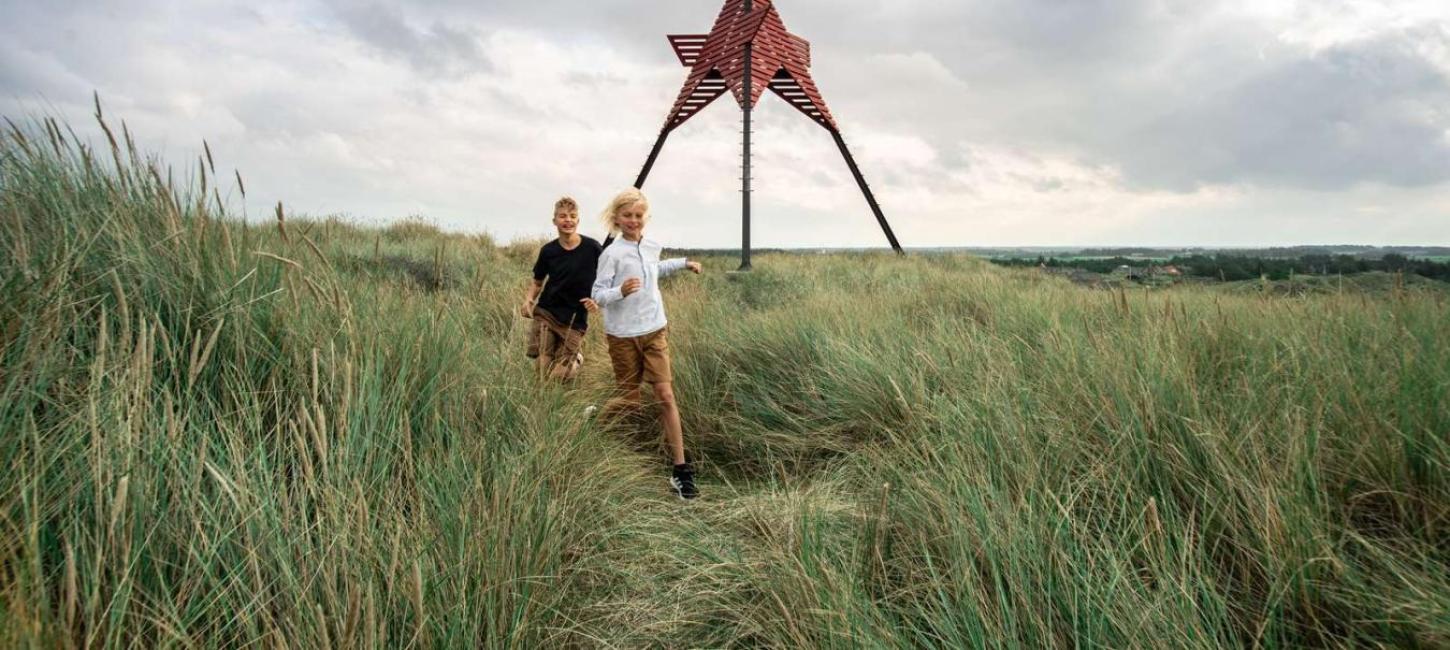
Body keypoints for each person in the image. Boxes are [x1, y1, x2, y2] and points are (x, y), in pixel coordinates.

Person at [591, 188, 703, 500]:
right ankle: (593, 422)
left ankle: (681, 470)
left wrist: (683, 263)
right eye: (627, 215)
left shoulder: (651, 246)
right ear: (616, 219)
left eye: (638, 215)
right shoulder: (611, 254)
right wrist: (620, 292)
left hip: (655, 329)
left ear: (645, 218)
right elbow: (598, 294)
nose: (633, 221)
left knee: (665, 394)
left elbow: (655, 269)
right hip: (623, 336)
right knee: (631, 402)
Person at [521, 197, 602, 381]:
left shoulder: (593, 248)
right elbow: (537, 282)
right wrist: (528, 300)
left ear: (578, 221)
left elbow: (607, 278)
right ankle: (542, 400)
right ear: (555, 221)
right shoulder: (548, 251)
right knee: (543, 365)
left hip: (575, 319)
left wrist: (597, 300)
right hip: (547, 312)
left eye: (573, 216)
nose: (568, 220)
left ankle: (577, 359)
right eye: (563, 216)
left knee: (562, 373)